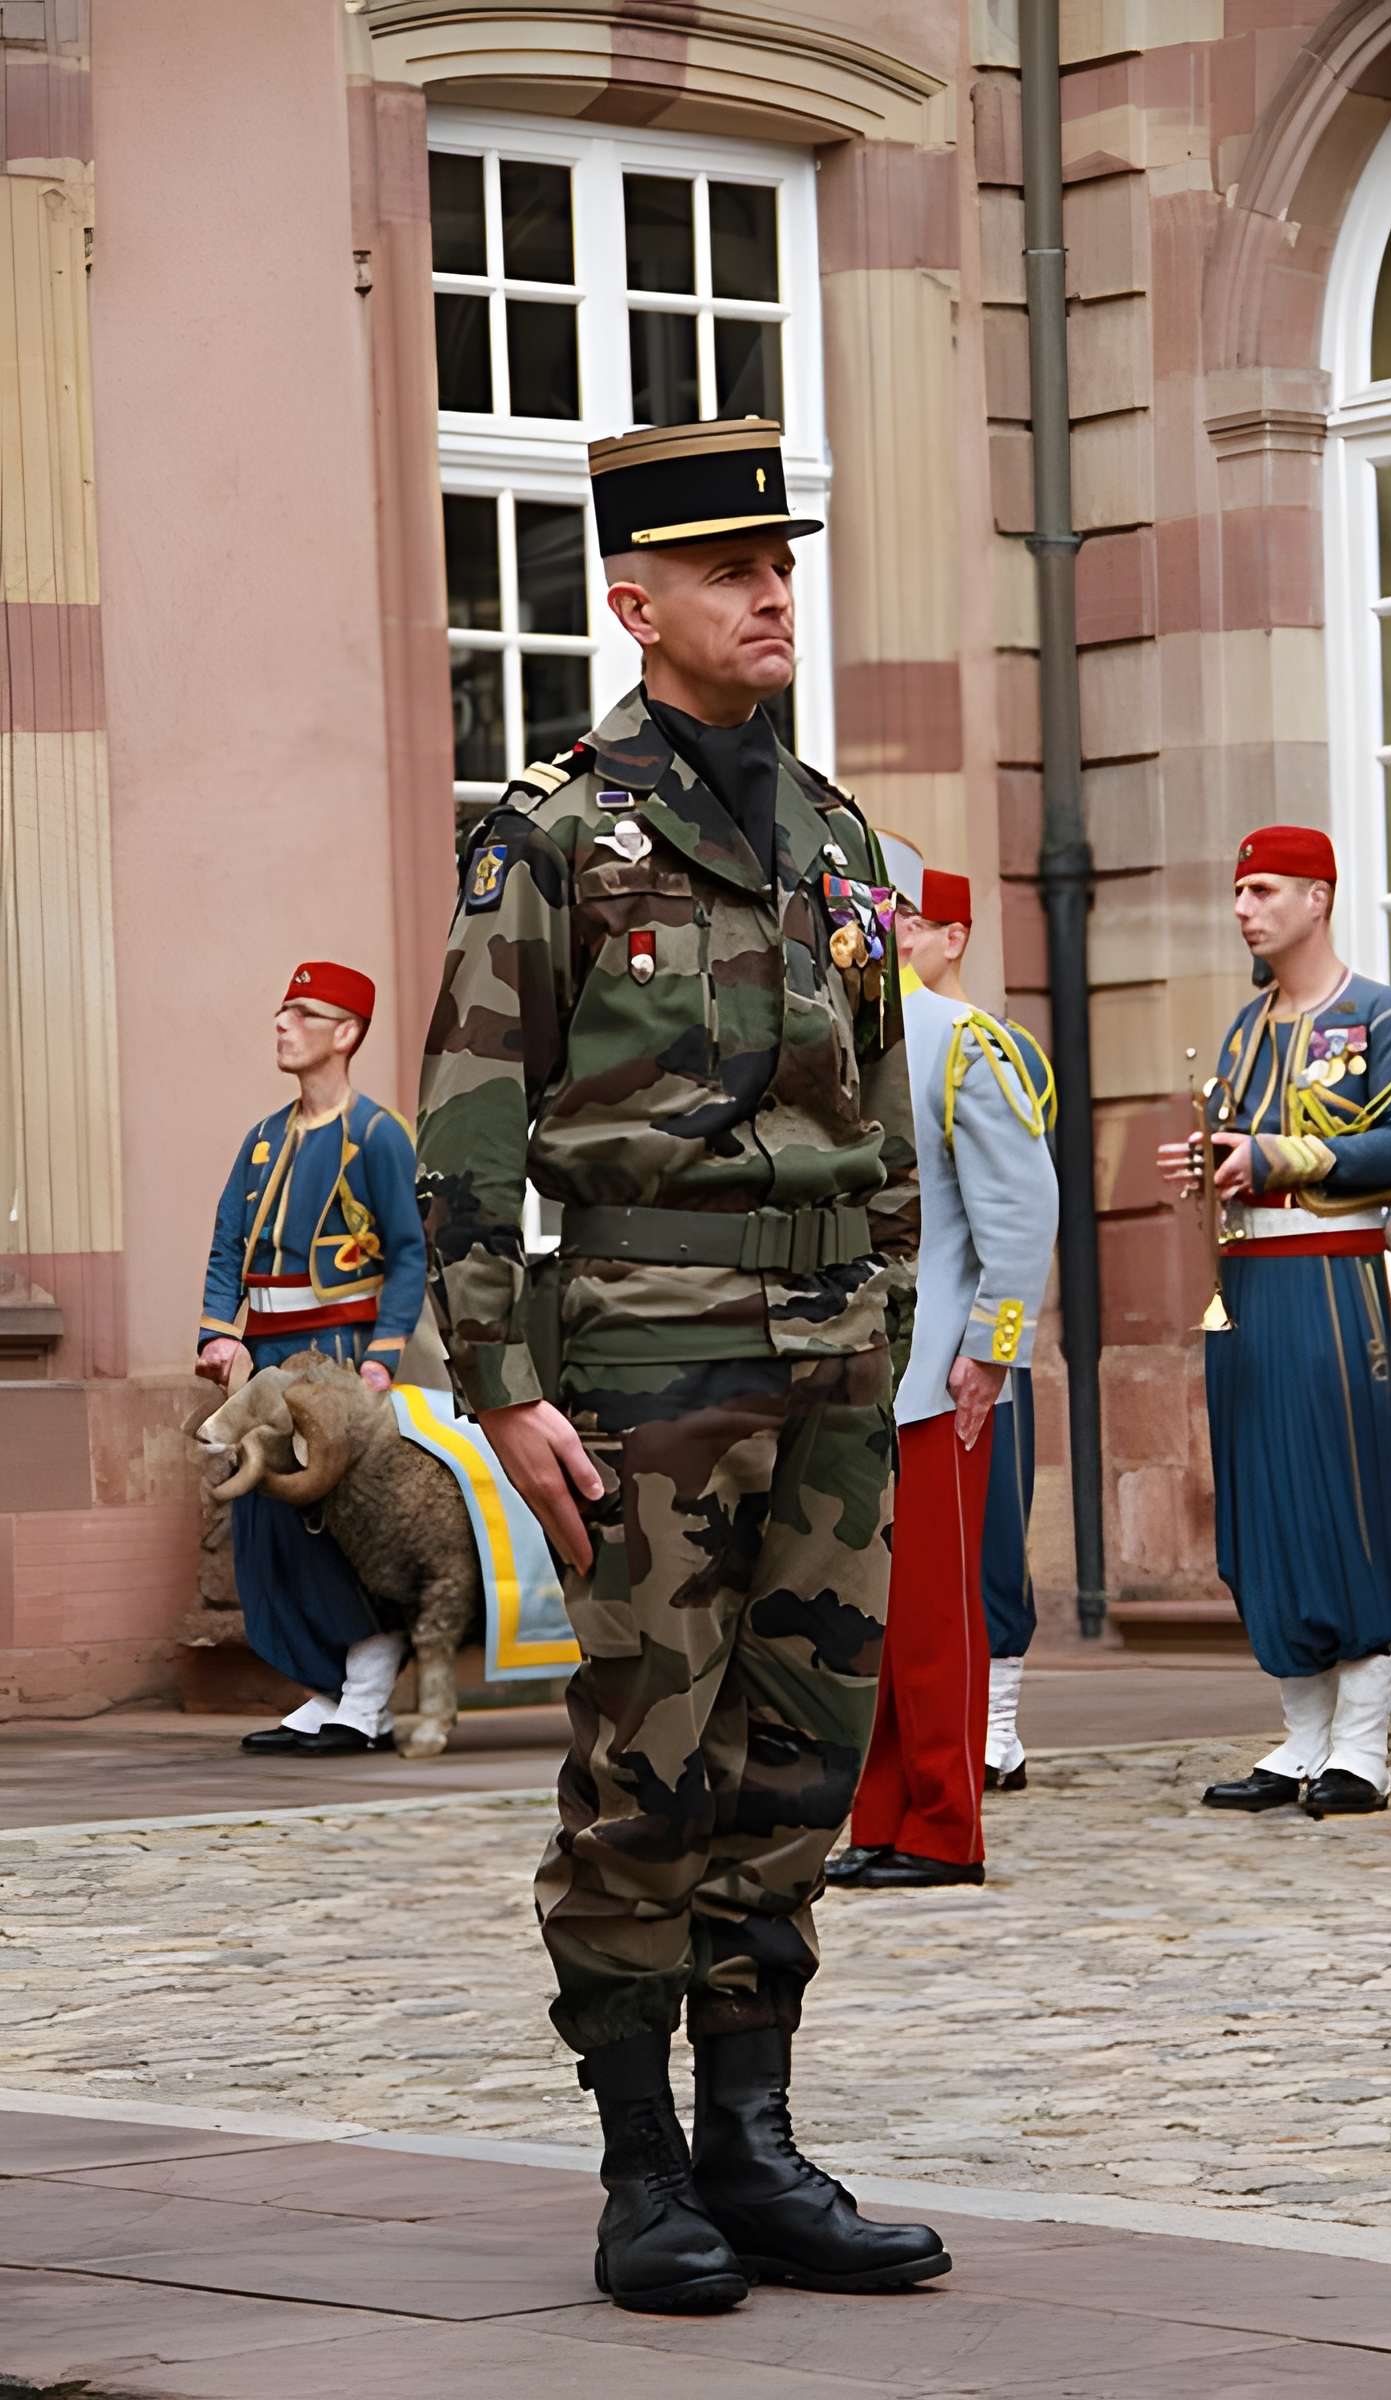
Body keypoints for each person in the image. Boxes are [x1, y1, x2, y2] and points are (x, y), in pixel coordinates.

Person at [415, 417, 947, 2316]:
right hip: (644, 1356)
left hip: (824, 1364)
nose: (773, 590)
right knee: (649, 1759)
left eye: (781, 561)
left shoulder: (837, 835)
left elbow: (881, 1114)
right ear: (637, 603)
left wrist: (881, 1305)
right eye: (732, 570)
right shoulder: (553, 832)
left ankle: (757, 2142)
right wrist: (499, 1383)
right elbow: (469, 1128)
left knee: (794, 1764)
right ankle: (643, 2174)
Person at [1156, 827, 1391, 1818]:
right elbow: (1239, 1140)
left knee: (1341, 1492)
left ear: (1317, 897)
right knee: (1260, 1504)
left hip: (1330, 1279)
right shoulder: (1245, 1028)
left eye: (1264, 889)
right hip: (1245, 1285)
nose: (1245, 909)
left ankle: (1362, 1744)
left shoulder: (1379, 1014)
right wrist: (1206, 1164)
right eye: (1238, 891)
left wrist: (1280, 1159)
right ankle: (1301, 1733)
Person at [827, 867, 1057, 1888]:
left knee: (930, 1616)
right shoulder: (829, 1037)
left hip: (931, 1368)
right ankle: (879, 1813)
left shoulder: (960, 1040)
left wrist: (991, 1349)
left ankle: (943, 1822)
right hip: (846, 1367)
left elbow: (1018, 1203)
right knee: (859, 1618)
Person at [197, 962, 427, 1756]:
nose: (282, 1024)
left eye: (302, 1012)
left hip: (337, 1354)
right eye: (281, 1011)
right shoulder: (263, 1138)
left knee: (332, 1524)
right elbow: (229, 1242)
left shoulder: (379, 1134)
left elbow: (406, 1252)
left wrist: (384, 1354)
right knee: (266, 1525)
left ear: (348, 1032)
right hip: (266, 1355)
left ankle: (368, 1692)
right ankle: (329, 1689)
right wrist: (216, 1333)